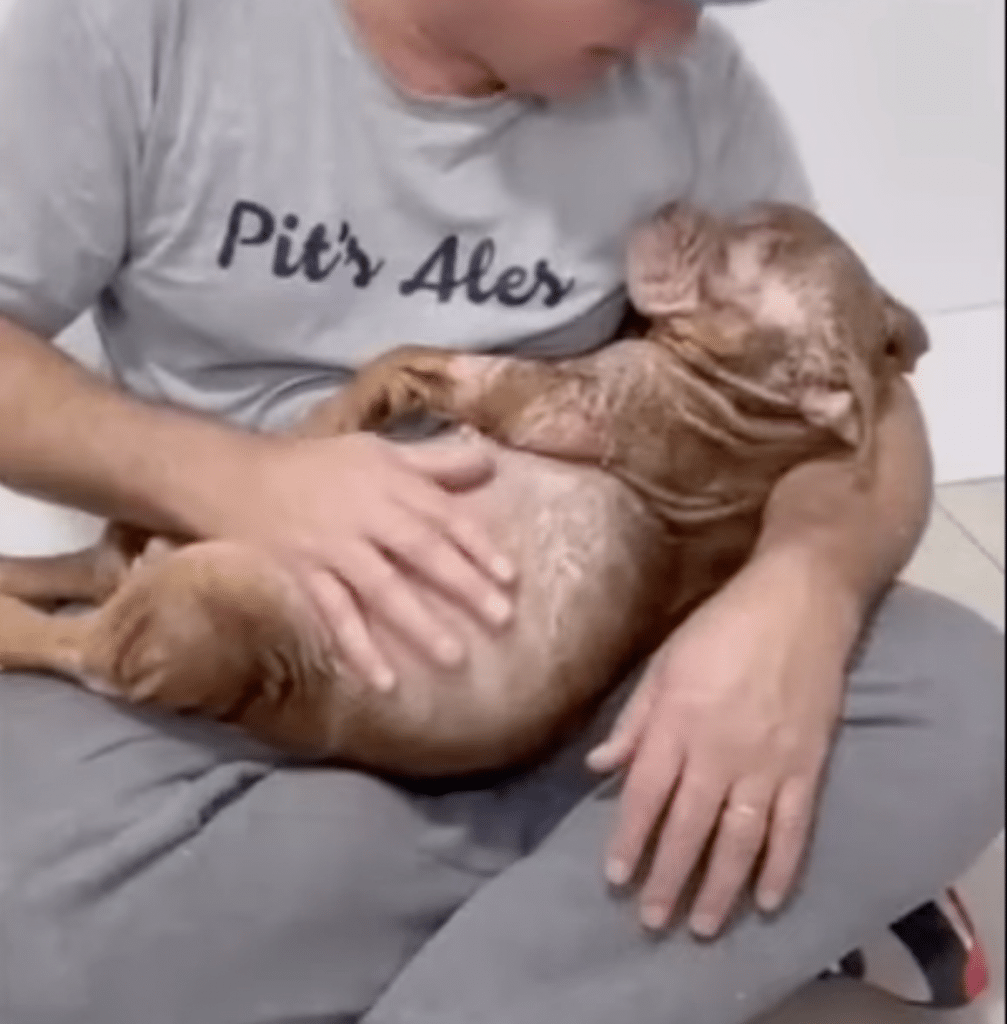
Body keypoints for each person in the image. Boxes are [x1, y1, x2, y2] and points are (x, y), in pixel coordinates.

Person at [0, 0, 1002, 1021]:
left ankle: (450, 911)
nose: (676, 32)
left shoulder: (687, 79)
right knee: (28, 927)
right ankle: (687, 889)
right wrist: (241, 480)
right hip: (256, 654)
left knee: (962, 701)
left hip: (585, 654)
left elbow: (854, 391)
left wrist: (803, 592)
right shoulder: (137, 27)